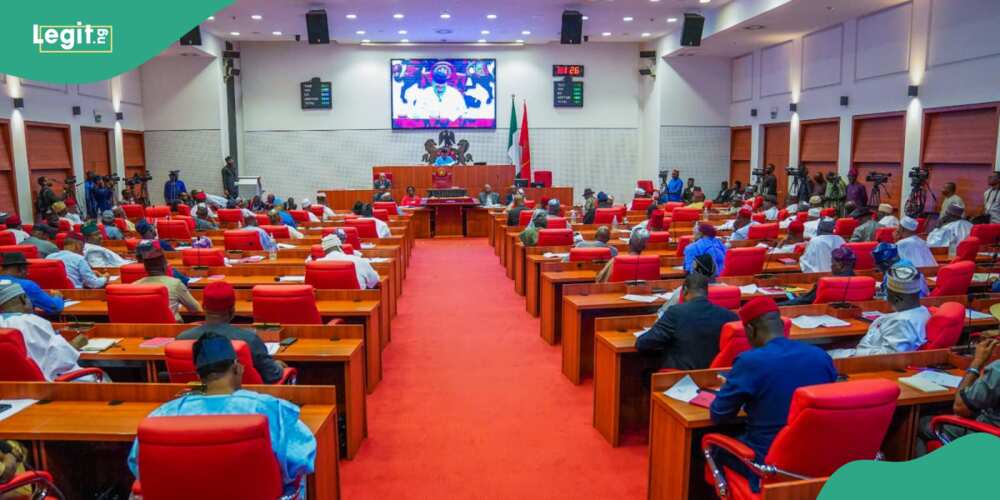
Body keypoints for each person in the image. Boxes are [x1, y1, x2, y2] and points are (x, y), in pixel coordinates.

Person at [127, 333, 316, 497]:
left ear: (198, 374)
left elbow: (139, 466)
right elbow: (301, 459)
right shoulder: (268, 408)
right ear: (236, 367)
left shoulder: (162, 416)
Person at [709, 296, 837, 492]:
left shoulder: (750, 362)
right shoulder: (820, 356)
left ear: (750, 330)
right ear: (780, 324)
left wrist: (733, 389)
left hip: (766, 464)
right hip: (815, 461)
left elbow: (719, 415)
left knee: (710, 449)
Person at [637, 255, 738, 370]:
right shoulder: (730, 316)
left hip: (679, 378)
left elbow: (644, 343)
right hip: (713, 379)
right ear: (706, 292)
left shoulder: (676, 313)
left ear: (684, 291)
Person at [178, 282, 287, 383]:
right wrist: (277, 365)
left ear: (203, 307)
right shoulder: (249, 339)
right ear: (232, 310)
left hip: (195, 401)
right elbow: (273, 375)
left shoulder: (181, 340)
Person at [917, 336, 1000, 455]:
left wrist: (977, 363)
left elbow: (960, 408)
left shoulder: (997, 369)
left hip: (986, 435)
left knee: (919, 424)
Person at [828, 265, 929, 358]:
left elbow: (888, 356)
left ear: (897, 297)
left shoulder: (900, 322)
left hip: (863, 362)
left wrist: (849, 353)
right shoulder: (923, 310)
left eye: (887, 291)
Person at [0, 280, 90, 380]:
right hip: (45, 385)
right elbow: (59, 360)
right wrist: (75, 344)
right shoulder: (32, 322)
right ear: (23, 299)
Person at [134, 247, 201, 322]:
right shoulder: (175, 283)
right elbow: (195, 308)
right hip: (173, 330)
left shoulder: (134, 286)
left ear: (145, 268)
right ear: (165, 266)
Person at [784, 246, 855, 305]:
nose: (831, 266)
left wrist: (777, 306)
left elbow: (802, 301)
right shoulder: (861, 281)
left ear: (840, 265)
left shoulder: (827, 283)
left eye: (832, 262)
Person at [316, 232, 380, 289]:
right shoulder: (357, 260)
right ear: (341, 247)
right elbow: (374, 281)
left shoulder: (316, 265)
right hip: (358, 299)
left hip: (325, 301)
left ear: (324, 251)